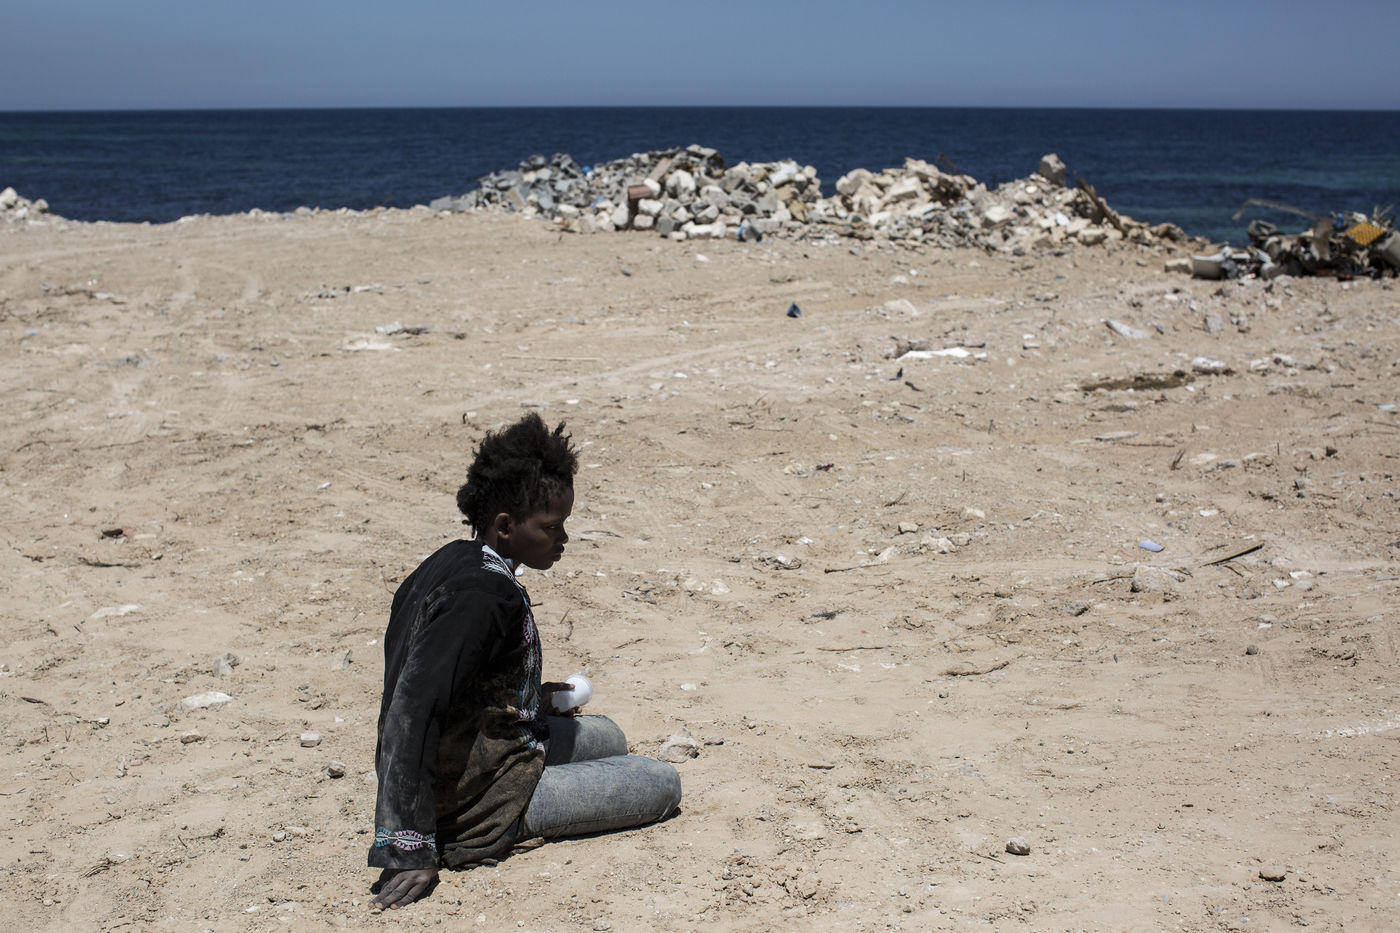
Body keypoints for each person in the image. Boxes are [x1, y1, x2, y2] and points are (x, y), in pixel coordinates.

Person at [368, 413, 681, 910]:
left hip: (490, 746)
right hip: (477, 799)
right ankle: (499, 825)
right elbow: (412, 712)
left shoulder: (457, 560)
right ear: (506, 526)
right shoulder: (482, 598)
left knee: (609, 737)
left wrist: (531, 696)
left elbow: (459, 681)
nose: (563, 539)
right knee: (660, 782)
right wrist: (409, 845)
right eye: (552, 527)